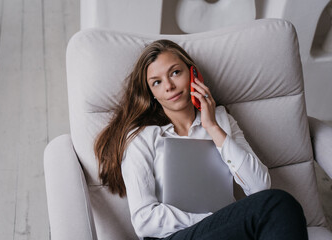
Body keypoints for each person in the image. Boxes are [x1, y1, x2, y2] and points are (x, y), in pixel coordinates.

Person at [94, 39, 308, 240]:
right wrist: (214, 220)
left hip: (219, 231)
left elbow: (260, 187)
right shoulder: (142, 138)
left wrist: (212, 127)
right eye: (157, 82)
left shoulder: (221, 120)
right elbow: (144, 220)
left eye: (175, 72)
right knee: (278, 204)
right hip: (172, 236)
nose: (168, 86)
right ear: (151, 94)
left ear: (193, 74)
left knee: (278, 205)